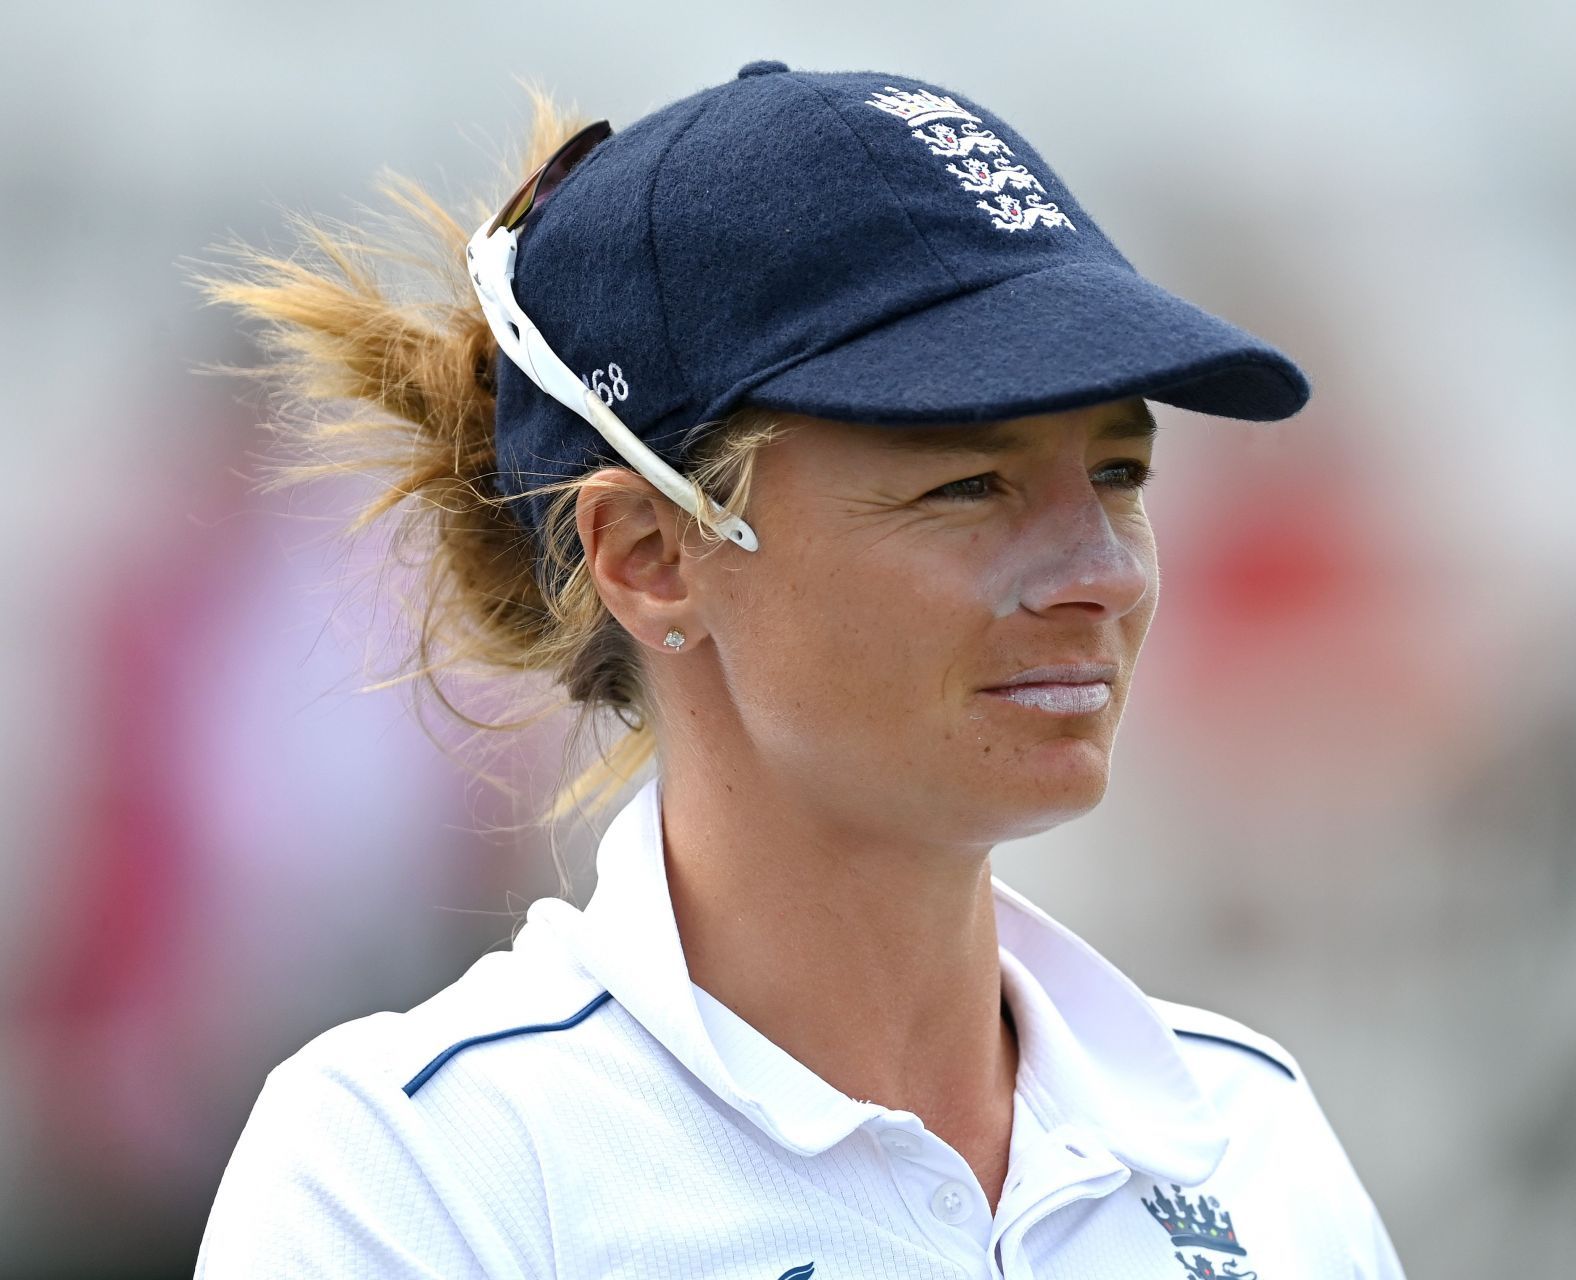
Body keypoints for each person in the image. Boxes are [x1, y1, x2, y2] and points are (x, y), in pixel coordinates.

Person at [188, 60, 1408, 1280]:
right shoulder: (419, 1170)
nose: (1103, 571)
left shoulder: (1255, 1140)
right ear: (654, 554)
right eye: (968, 484)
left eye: (1120, 475)